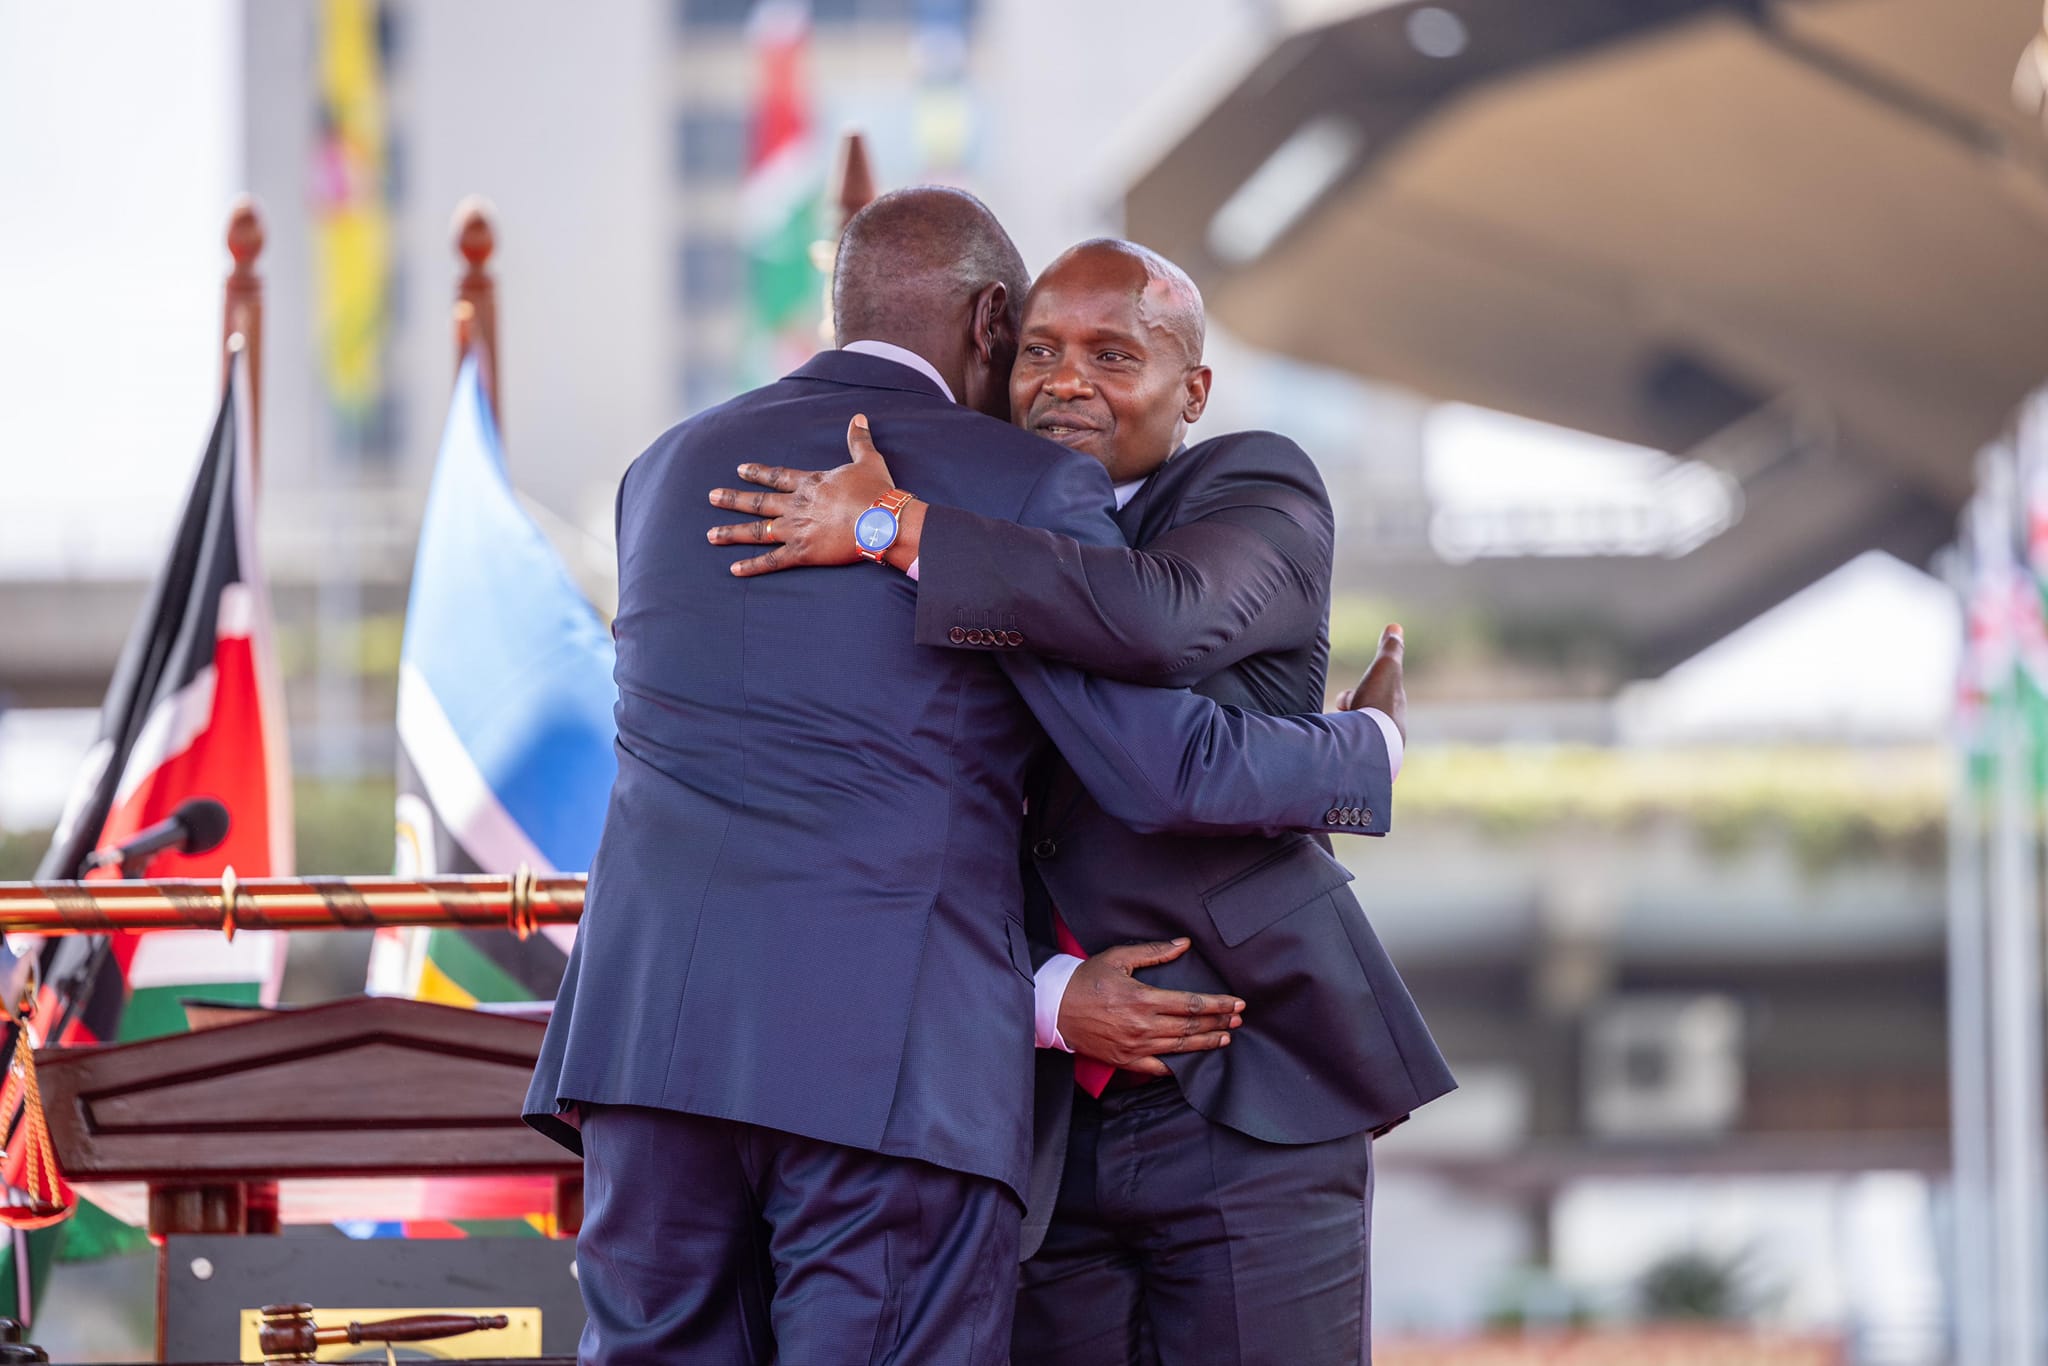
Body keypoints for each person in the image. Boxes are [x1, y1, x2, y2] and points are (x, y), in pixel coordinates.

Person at [524, 191, 1403, 1366]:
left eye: (1109, 354)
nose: (1062, 382)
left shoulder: (665, 469)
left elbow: (1147, 626)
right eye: (1039, 347)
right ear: (993, 323)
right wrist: (1367, 750)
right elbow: (1157, 761)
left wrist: (894, 527)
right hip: (893, 1070)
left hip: (647, 1047)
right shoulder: (1016, 484)